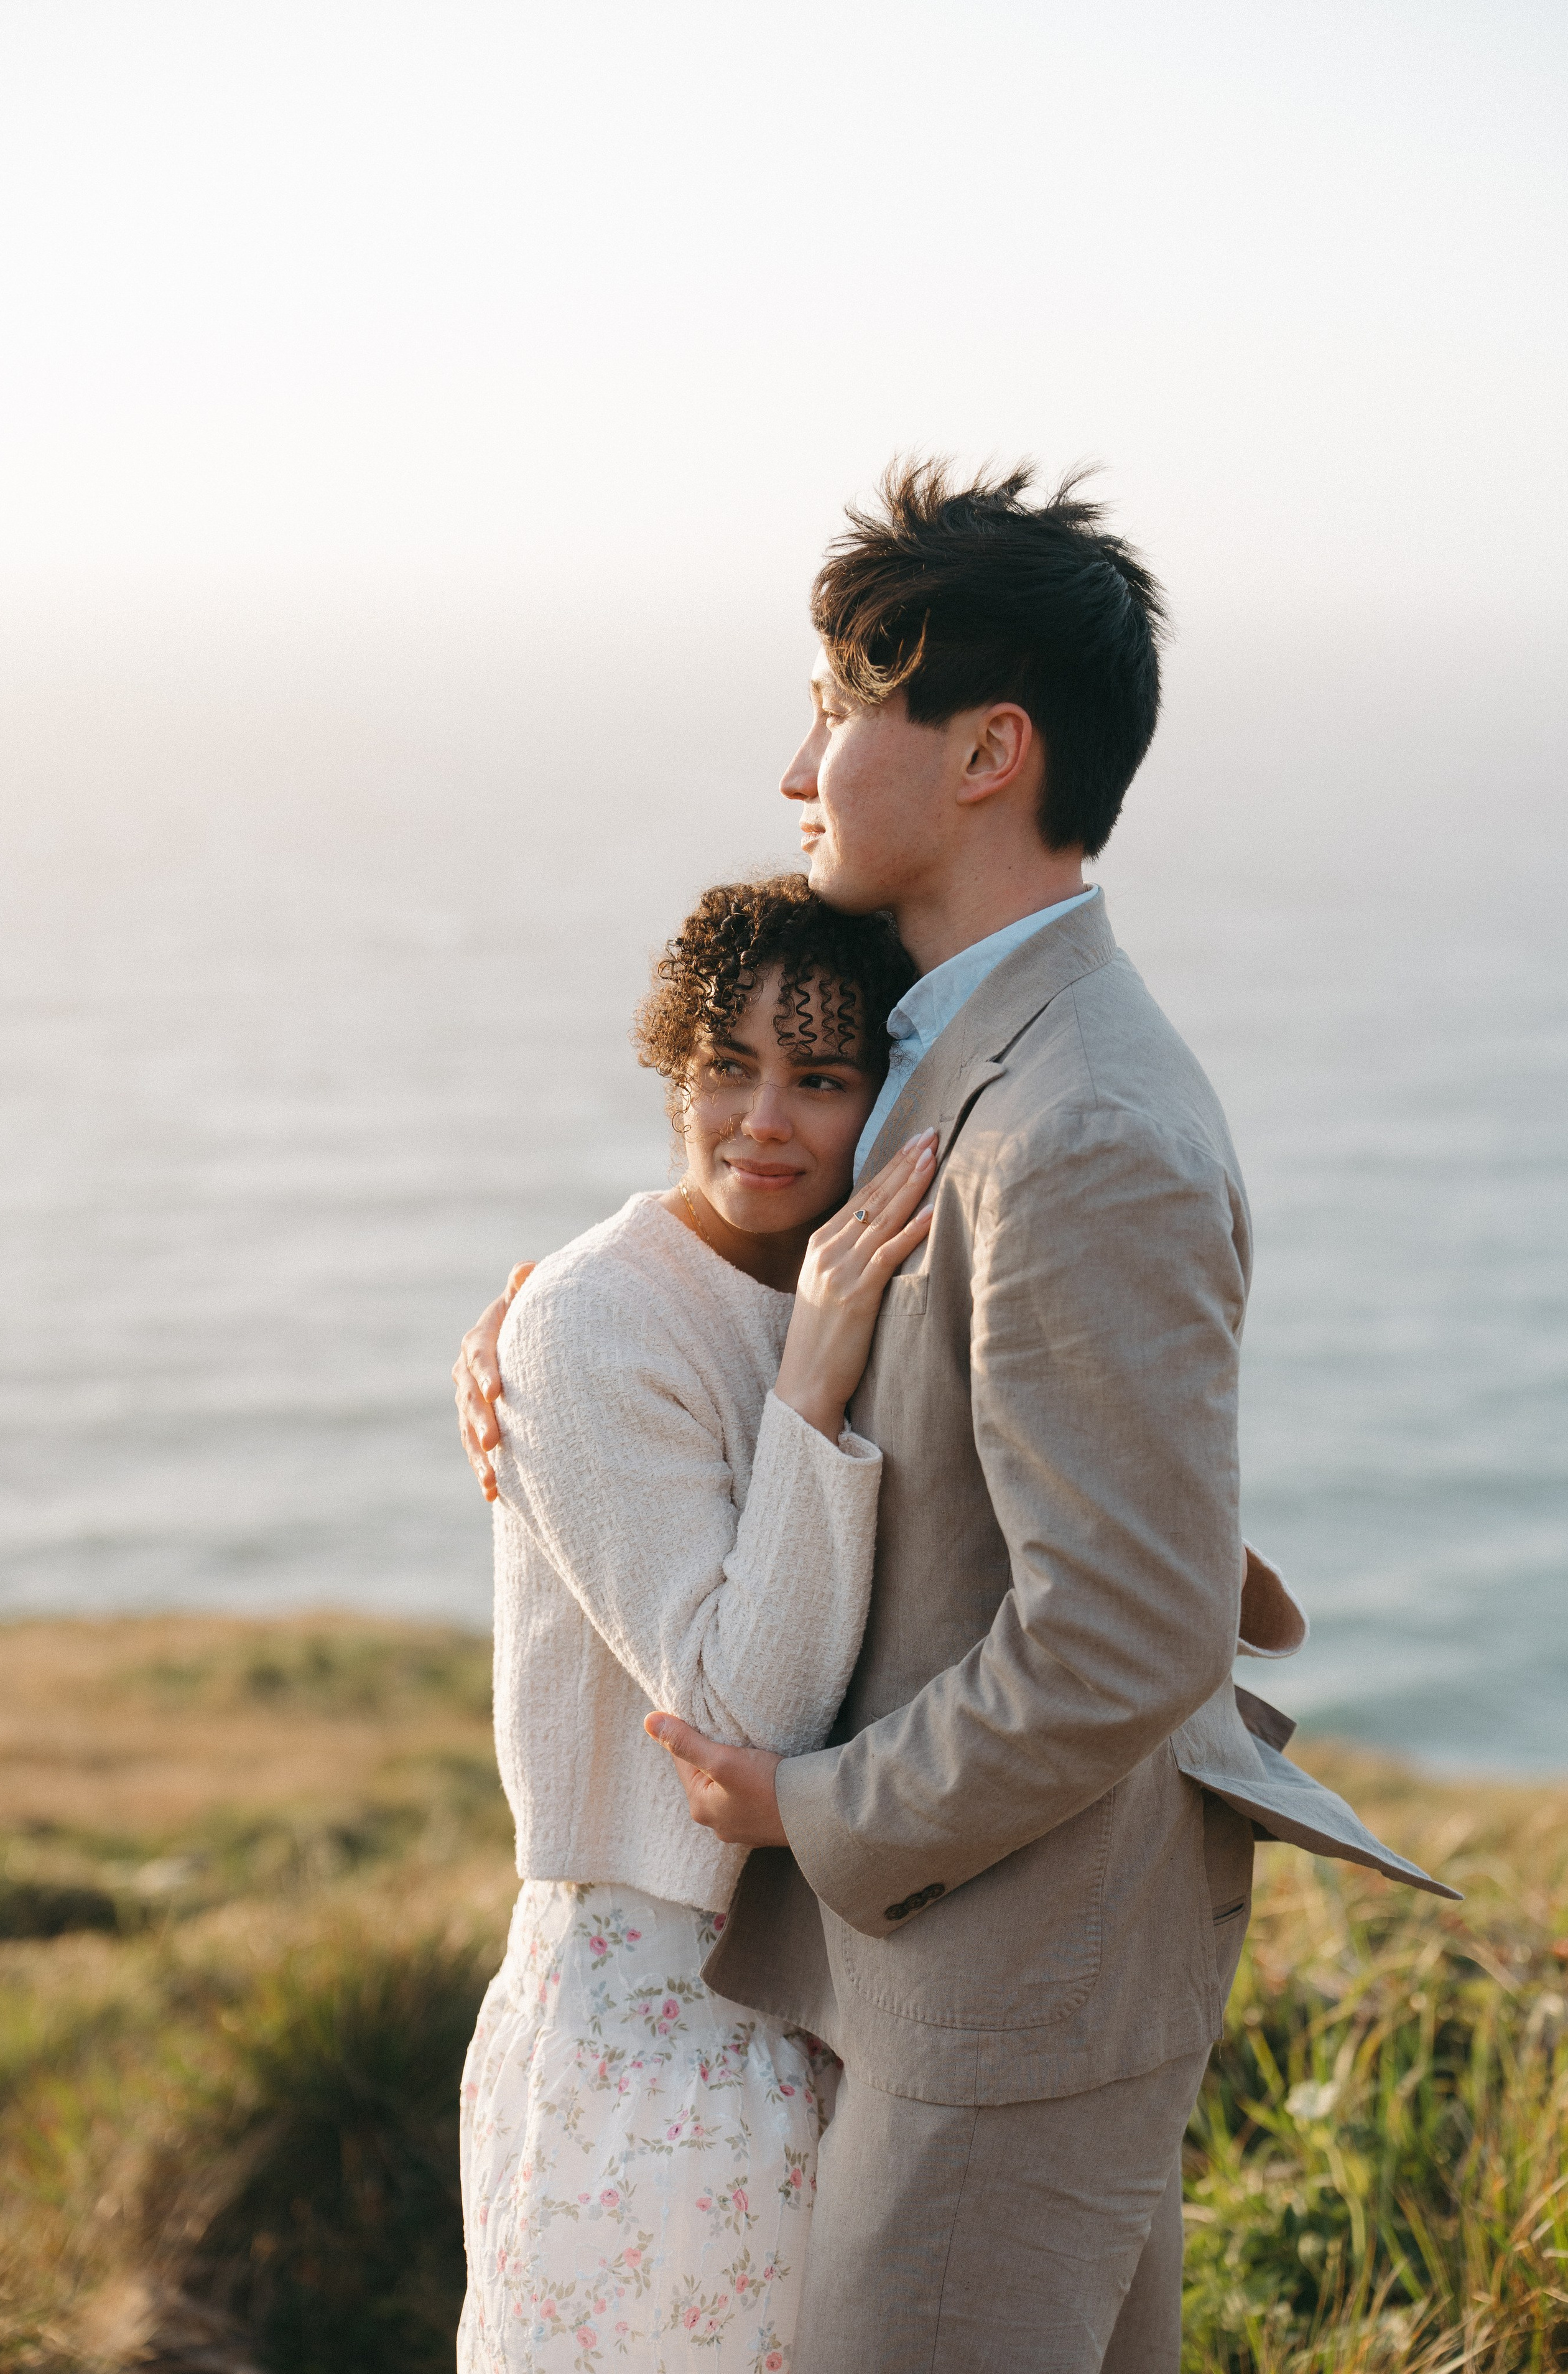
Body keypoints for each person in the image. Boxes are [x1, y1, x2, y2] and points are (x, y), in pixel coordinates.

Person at [458, 462, 1454, 2373]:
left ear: (989, 751)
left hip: (1016, 1997)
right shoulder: (945, 1050)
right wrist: (559, 1315)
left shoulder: (1079, 1122)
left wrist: (804, 1804)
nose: (798, 763)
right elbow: (826, 1315)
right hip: (960, 1978)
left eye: (837, 705)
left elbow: (1128, 1627)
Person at [457, 874, 932, 2373]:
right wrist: (806, 1386)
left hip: (823, 2009)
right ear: (672, 1065)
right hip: (658, 2019)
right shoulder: (595, 1319)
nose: (763, 1121)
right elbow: (745, 1710)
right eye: (725, 1065)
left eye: (819, 1076)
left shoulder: (853, 1282)